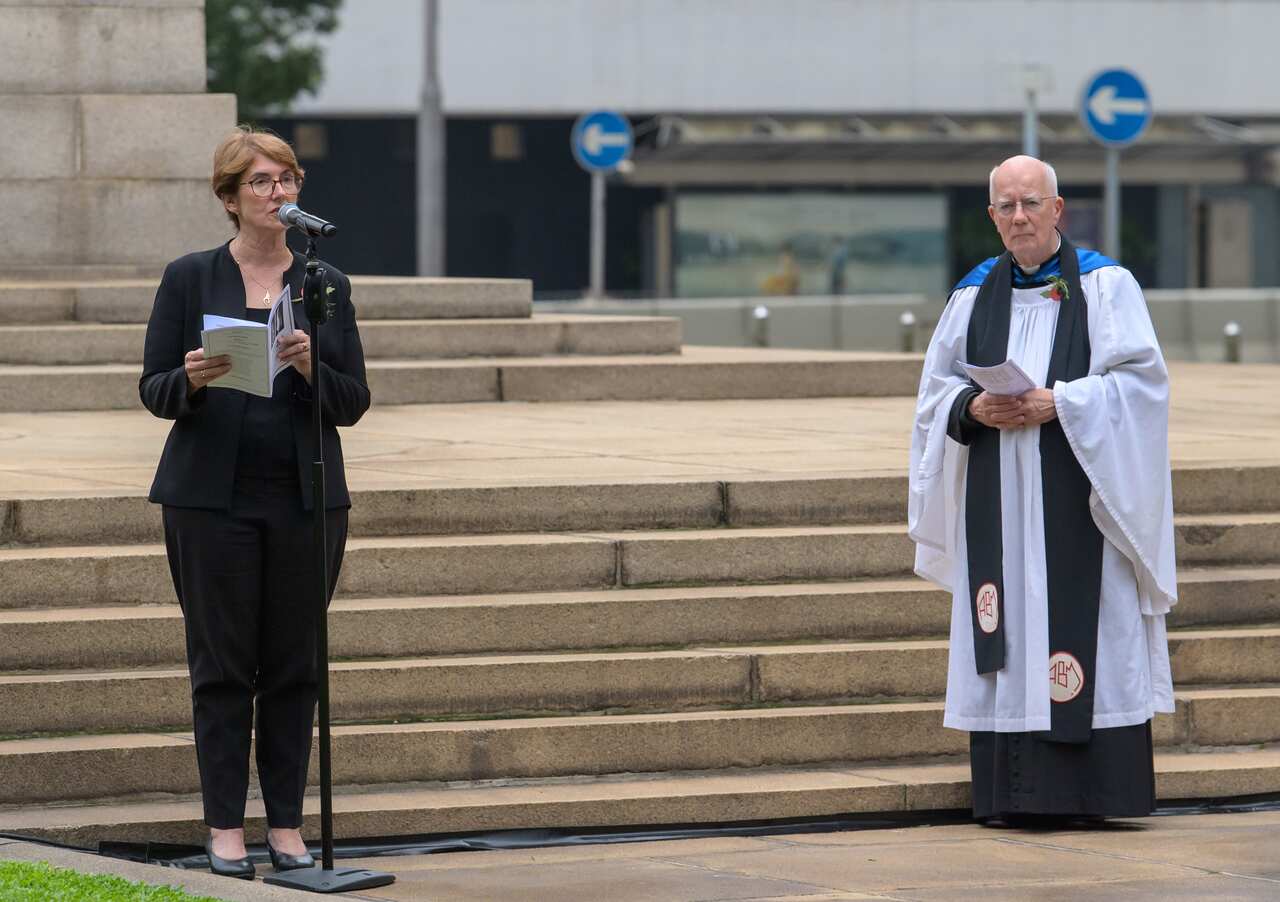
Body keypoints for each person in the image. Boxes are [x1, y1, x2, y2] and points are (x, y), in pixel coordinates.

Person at [908, 155, 1176, 824]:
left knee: (1088, 622)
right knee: (1010, 630)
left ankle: (1093, 793)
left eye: (1031, 203)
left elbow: (1143, 386)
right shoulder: (972, 295)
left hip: (1082, 504)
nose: (1020, 217)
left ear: (1058, 210)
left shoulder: (1107, 287)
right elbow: (934, 394)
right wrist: (973, 407)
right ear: (992, 216)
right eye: (1007, 206)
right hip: (999, 502)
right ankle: (1012, 797)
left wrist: (1064, 402)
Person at [140, 127, 370, 877]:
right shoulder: (189, 278)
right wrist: (191, 378)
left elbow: (353, 401)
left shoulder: (323, 282)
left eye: (288, 179)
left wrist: (308, 368)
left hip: (305, 499)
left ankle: (287, 829)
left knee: (295, 667)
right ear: (230, 198)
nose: (280, 192)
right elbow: (154, 389)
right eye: (263, 182)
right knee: (222, 667)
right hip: (211, 501)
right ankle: (224, 829)